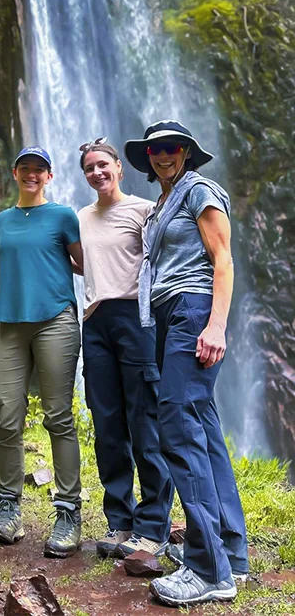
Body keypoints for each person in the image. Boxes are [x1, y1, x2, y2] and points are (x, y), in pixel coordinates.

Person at [124, 120, 249, 607]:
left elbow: (223, 259)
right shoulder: (160, 206)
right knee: (202, 427)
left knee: (176, 427)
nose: (163, 155)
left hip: (194, 310)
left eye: (172, 148)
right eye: (155, 149)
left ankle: (206, 568)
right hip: (167, 313)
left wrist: (216, 325)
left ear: (187, 152)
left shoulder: (200, 189)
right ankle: (231, 552)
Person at [76, 139, 173, 560]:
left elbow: (165, 260)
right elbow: (81, 263)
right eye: (89, 168)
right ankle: (120, 520)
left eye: (103, 165)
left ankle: (153, 527)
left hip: (137, 318)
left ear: (119, 167)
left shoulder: (143, 210)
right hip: (95, 320)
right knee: (107, 425)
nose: (97, 172)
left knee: (144, 423)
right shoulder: (81, 217)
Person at [0, 146, 84, 558]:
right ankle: (9, 507)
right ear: (15, 173)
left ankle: (68, 511)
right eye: (25, 168)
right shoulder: (1, 222)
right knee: (7, 418)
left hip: (55, 321)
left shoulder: (64, 216)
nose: (32, 174)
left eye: (39, 169)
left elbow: (84, 263)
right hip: (8, 324)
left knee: (58, 416)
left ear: (49, 175)